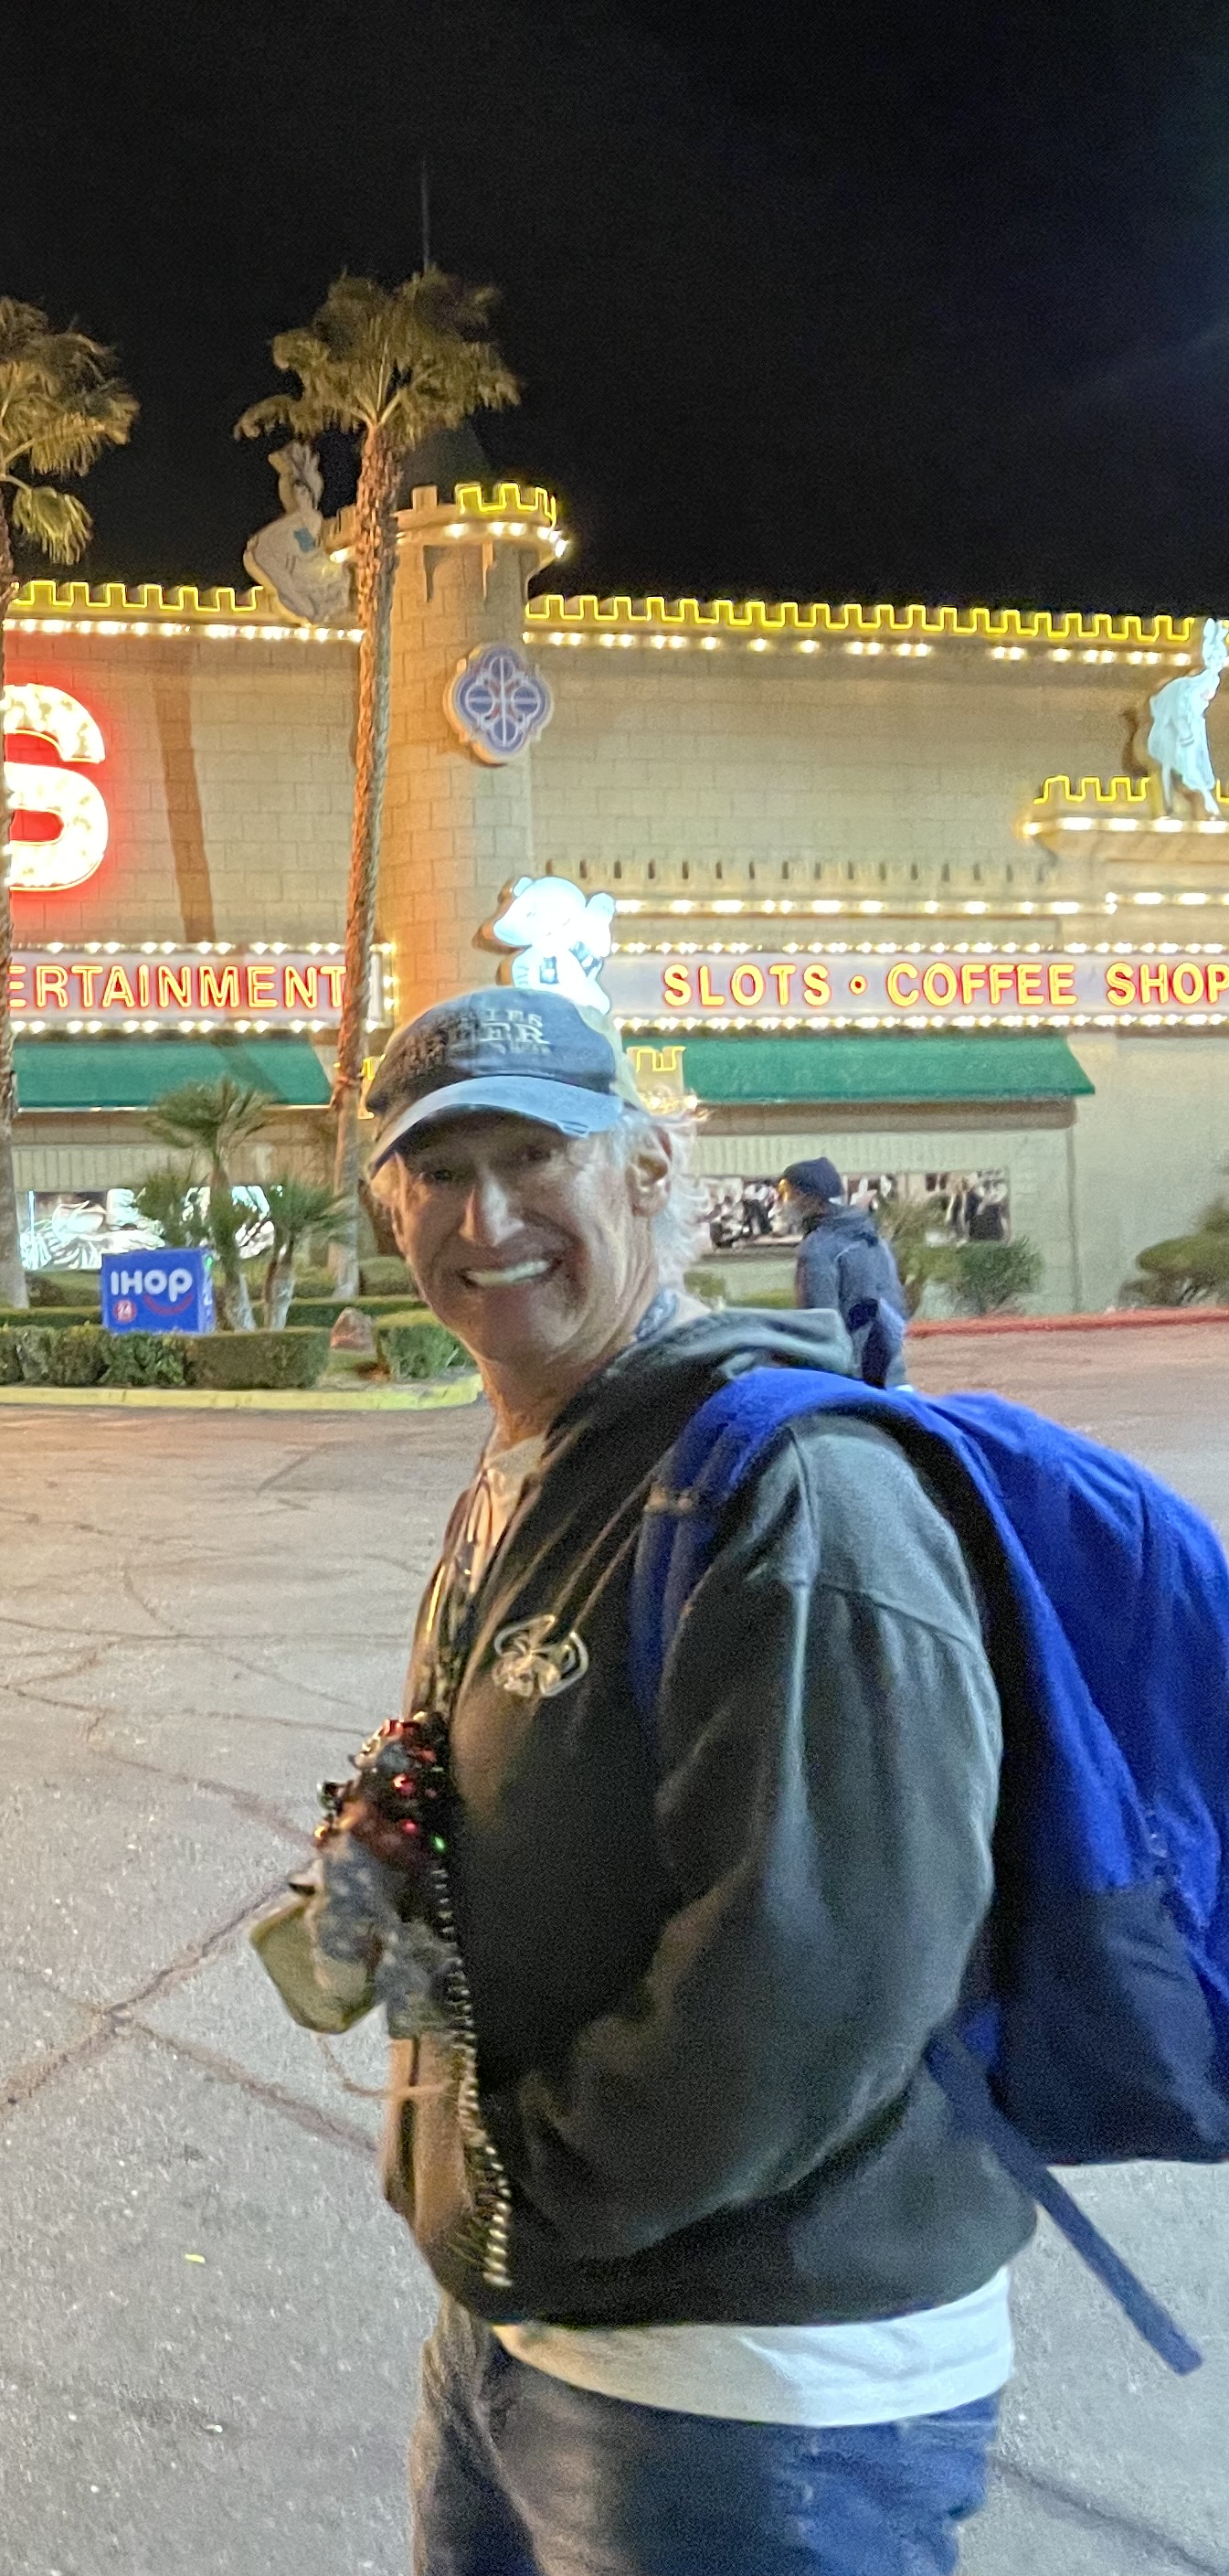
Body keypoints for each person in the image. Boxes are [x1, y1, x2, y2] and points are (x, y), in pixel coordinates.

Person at [313, 990, 1025, 2575]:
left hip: (749, 2391)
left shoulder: (792, 1492)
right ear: (390, 1207)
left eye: (532, 1156)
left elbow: (819, 1970)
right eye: (439, 1174)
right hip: (531, 2329)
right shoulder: (544, 1465)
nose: (485, 1219)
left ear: (645, 1169)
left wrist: (530, 2194)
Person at [780, 1158, 911, 1383]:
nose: (785, 1202)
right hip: (893, 1371)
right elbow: (894, 1304)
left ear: (811, 1198)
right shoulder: (872, 1236)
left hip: (850, 1378)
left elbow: (821, 1322)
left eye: (789, 1193)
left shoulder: (818, 1247)